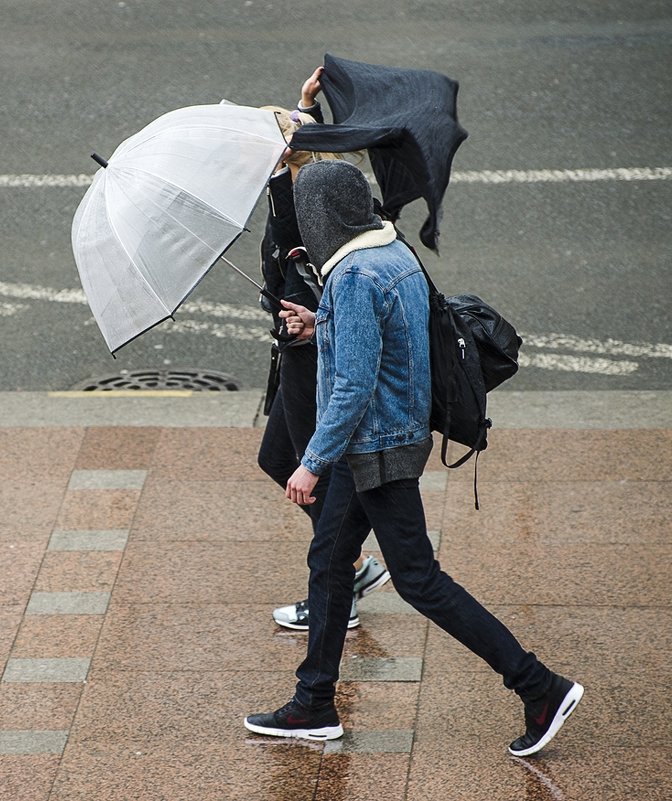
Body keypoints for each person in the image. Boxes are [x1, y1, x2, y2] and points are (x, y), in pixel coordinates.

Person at [244, 159, 583, 757]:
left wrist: (312, 461)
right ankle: (313, 702)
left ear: (322, 216)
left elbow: (353, 383)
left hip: (374, 449)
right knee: (328, 561)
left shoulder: (351, 276)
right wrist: (317, 323)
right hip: (386, 440)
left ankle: (540, 687)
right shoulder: (390, 251)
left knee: (419, 581)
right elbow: (383, 336)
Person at [257, 67, 390, 633]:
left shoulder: (301, 208)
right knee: (276, 458)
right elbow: (308, 151)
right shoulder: (306, 187)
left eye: (281, 143)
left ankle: (340, 583)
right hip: (300, 351)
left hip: (311, 355)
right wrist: (304, 103)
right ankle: (352, 567)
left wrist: (308, 325)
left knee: (318, 472)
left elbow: (303, 161)